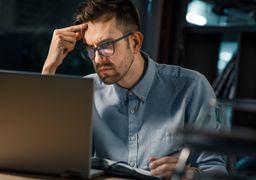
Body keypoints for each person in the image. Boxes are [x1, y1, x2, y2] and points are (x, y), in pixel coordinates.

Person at [42, 0, 227, 179]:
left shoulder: (192, 87)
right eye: (91, 49)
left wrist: (191, 176)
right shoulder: (86, 91)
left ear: (135, 43)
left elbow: (216, 171)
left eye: (106, 46)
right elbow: (52, 156)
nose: (97, 59)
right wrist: (49, 69)